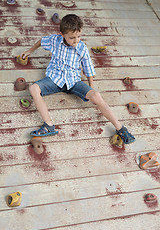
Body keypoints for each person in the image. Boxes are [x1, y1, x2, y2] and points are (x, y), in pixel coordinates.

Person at [20, 14, 135, 144]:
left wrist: (91, 88)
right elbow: (42, 41)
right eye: (72, 38)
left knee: (96, 95)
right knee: (33, 88)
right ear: (62, 34)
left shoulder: (81, 48)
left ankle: (120, 128)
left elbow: (88, 68)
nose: (76, 40)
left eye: (79, 36)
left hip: (74, 81)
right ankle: (48, 125)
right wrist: (29, 51)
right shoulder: (55, 40)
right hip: (54, 79)